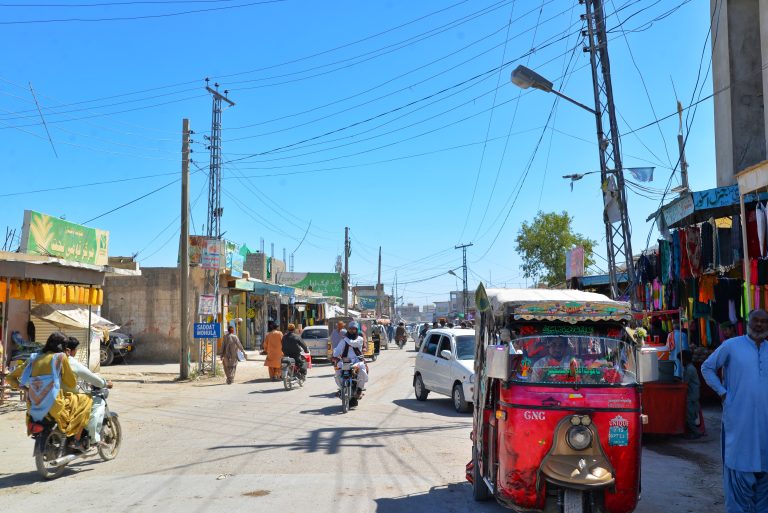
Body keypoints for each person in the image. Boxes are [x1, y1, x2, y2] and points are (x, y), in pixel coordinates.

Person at [702, 309, 768, 513]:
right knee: (739, 464)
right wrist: (723, 393)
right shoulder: (732, 345)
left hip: (765, 421)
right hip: (738, 417)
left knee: (764, 470)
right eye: (755, 321)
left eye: (763, 322)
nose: (759, 325)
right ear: (748, 322)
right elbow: (707, 367)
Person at [7, 332, 93, 449]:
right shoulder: (60, 357)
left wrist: (25, 389)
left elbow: (10, 378)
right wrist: (66, 359)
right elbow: (71, 383)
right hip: (54, 405)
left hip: (33, 405)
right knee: (86, 399)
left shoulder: (33, 358)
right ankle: (75, 440)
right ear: (63, 347)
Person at [64, 337, 113, 444]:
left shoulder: (51, 360)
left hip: (52, 396)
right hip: (68, 398)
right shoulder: (70, 361)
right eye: (76, 349)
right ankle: (90, 438)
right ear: (70, 350)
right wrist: (105, 383)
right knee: (93, 405)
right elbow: (90, 377)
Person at [332, 321, 369, 399]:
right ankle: (341, 388)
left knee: (362, 370)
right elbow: (338, 349)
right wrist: (334, 356)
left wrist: (345, 338)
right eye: (350, 329)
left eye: (354, 329)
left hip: (357, 361)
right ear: (348, 329)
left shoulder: (360, 339)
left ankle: (359, 389)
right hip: (345, 361)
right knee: (337, 372)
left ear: (356, 330)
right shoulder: (343, 339)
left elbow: (352, 343)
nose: (352, 331)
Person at [680, 349, 702, 440]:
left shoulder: (689, 369)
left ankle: (696, 433)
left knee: (690, 415)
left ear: (684, 359)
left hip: (692, 394)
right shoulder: (690, 367)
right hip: (694, 393)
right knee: (692, 414)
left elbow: (685, 382)